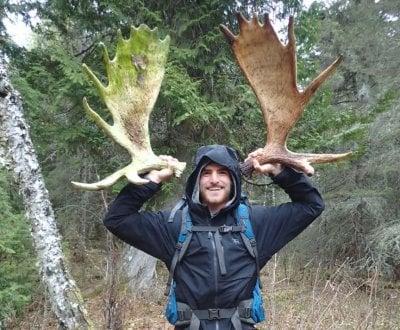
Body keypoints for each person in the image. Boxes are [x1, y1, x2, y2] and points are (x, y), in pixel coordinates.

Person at [104, 144, 324, 330]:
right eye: (206, 173)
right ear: (196, 181)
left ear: (234, 179)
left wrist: (280, 172)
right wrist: (153, 179)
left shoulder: (256, 222)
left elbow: (311, 205)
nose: (214, 180)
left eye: (223, 172)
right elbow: (117, 219)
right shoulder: (173, 224)